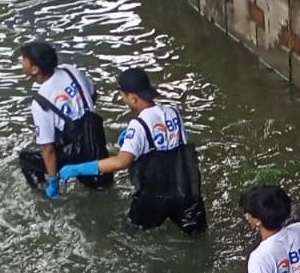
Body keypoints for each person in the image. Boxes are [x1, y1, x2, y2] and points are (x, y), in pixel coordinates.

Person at [55, 67, 206, 234]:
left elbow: (121, 161)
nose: (122, 100)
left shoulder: (138, 126)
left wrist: (79, 168)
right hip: (184, 190)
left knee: (128, 234)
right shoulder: (173, 112)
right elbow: (172, 142)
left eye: (123, 95)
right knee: (197, 234)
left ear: (133, 98)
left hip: (153, 198)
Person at [16, 40, 111, 198]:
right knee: (101, 188)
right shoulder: (70, 70)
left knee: (27, 160)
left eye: (24, 58)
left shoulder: (41, 102)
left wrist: (53, 180)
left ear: (34, 69)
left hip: (75, 151)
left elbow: (48, 149)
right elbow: (93, 94)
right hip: (96, 138)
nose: (21, 60)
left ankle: (45, 197)